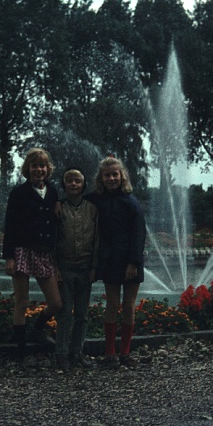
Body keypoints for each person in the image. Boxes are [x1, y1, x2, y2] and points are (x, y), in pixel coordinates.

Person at [85, 155, 146, 368]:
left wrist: (134, 263)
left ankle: (125, 353)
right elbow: (77, 202)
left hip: (130, 261)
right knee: (111, 305)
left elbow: (139, 235)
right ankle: (110, 353)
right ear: (101, 178)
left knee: (128, 306)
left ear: (122, 176)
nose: (111, 178)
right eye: (107, 175)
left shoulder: (131, 202)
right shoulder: (96, 200)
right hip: (110, 260)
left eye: (115, 174)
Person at [2, 148, 62, 364]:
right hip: (21, 251)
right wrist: (9, 257)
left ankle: (38, 328)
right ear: (28, 169)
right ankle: (21, 351)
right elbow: (9, 226)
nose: (39, 169)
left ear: (48, 169)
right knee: (22, 301)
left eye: (43, 165)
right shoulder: (18, 193)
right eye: (35, 165)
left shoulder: (53, 192)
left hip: (44, 251)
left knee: (56, 303)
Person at [54, 167, 99, 371]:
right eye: (69, 181)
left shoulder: (92, 208)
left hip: (85, 267)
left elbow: (97, 239)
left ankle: (77, 353)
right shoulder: (58, 208)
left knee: (82, 314)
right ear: (64, 185)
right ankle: (61, 355)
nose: (73, 184)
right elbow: (53, 240)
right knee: (65, 313)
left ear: (83, 185)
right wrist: (54, 267)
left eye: (77, 181)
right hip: (64, 267)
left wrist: (94, 266)